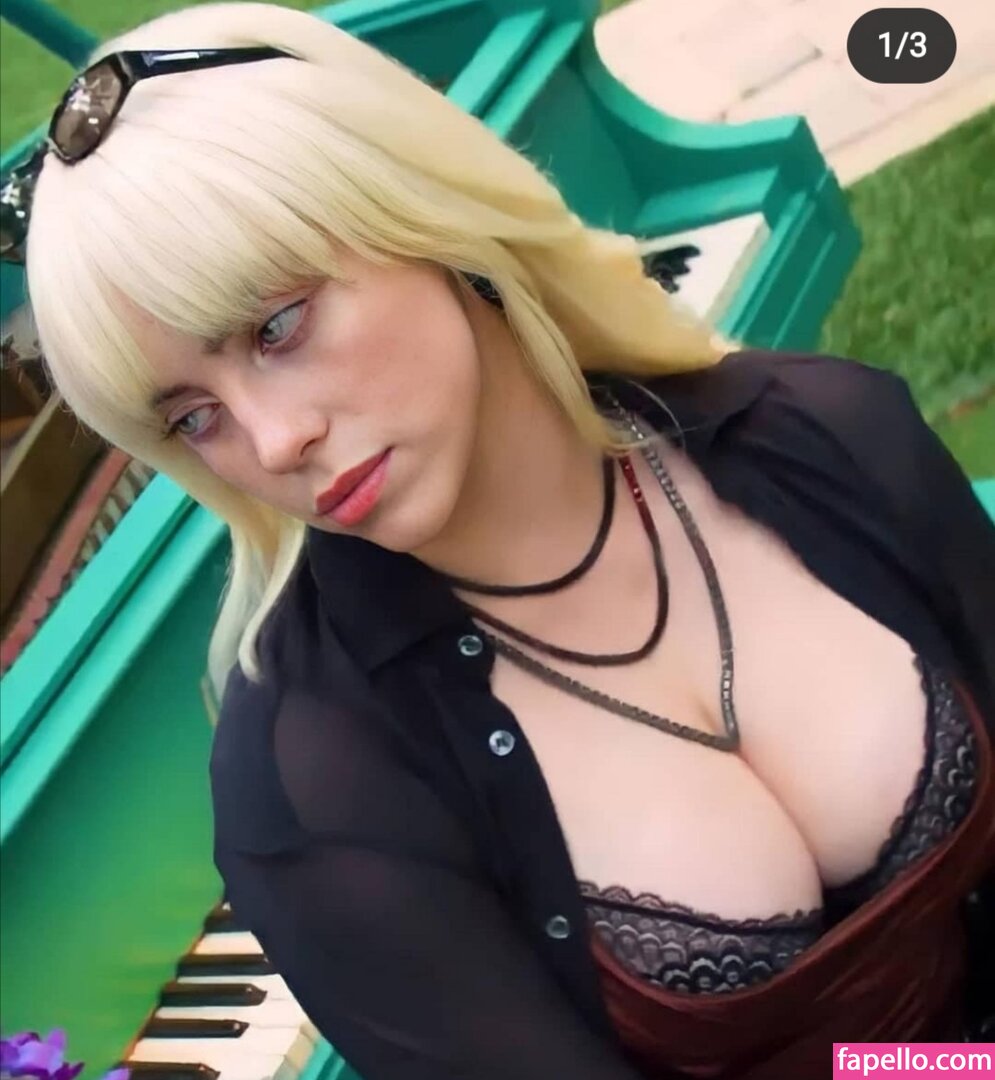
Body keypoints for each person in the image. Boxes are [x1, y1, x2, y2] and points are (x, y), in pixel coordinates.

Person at [5, 3, 993, 1076]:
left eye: (277, 326)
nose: (275, 441)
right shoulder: (316, 790)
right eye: (195, 418)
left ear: (419, 212)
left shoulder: (825, 432)